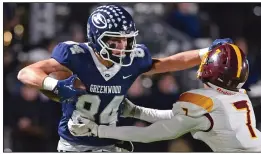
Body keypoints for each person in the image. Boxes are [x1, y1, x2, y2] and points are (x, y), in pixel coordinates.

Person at [17, 4, 231, 152]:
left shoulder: (134, 59)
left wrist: (206, 52)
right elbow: (26, 72)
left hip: (113, 144)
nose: (122, 47)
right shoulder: (76, 56)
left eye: (126, 41)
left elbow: (171, 61)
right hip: (76, 146)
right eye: (114, 41)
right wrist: (54, 86)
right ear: (96, 38)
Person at [70, 43, 261, 152]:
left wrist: (99, 130)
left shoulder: (204, 101)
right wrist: (136, 111)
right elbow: (177, 118)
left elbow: (152, 134)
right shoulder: (238, 96)